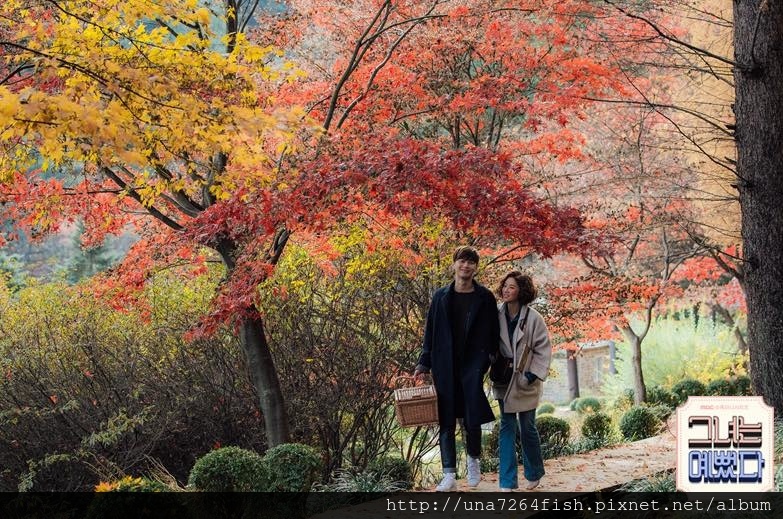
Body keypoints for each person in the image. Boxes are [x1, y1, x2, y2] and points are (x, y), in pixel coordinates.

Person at [414, 246, 499, 492]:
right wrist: (424, 362)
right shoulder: (440, 296)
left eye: (471, 262)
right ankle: (449, 474)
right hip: (445, 364)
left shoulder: (485, 297)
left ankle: (473, 462)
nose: (466, 266)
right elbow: (430, 332)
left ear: (476, 267)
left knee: (472, 416)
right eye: (462, 261)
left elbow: (494, 331)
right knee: (446, 419)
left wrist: (490, 357)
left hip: (473, 364)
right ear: (454, 265)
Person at [491, 270, 552, 491]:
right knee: (507, 426)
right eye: (505, 286)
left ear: (521, 291)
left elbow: (543, 349)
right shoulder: (495, 314)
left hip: (526, 380)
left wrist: (531, 375)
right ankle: (507, 482)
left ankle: (534, 472)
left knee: (527, 427)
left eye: (512, 287)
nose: (506, 290)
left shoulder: (534, 318)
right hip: (504, 380)